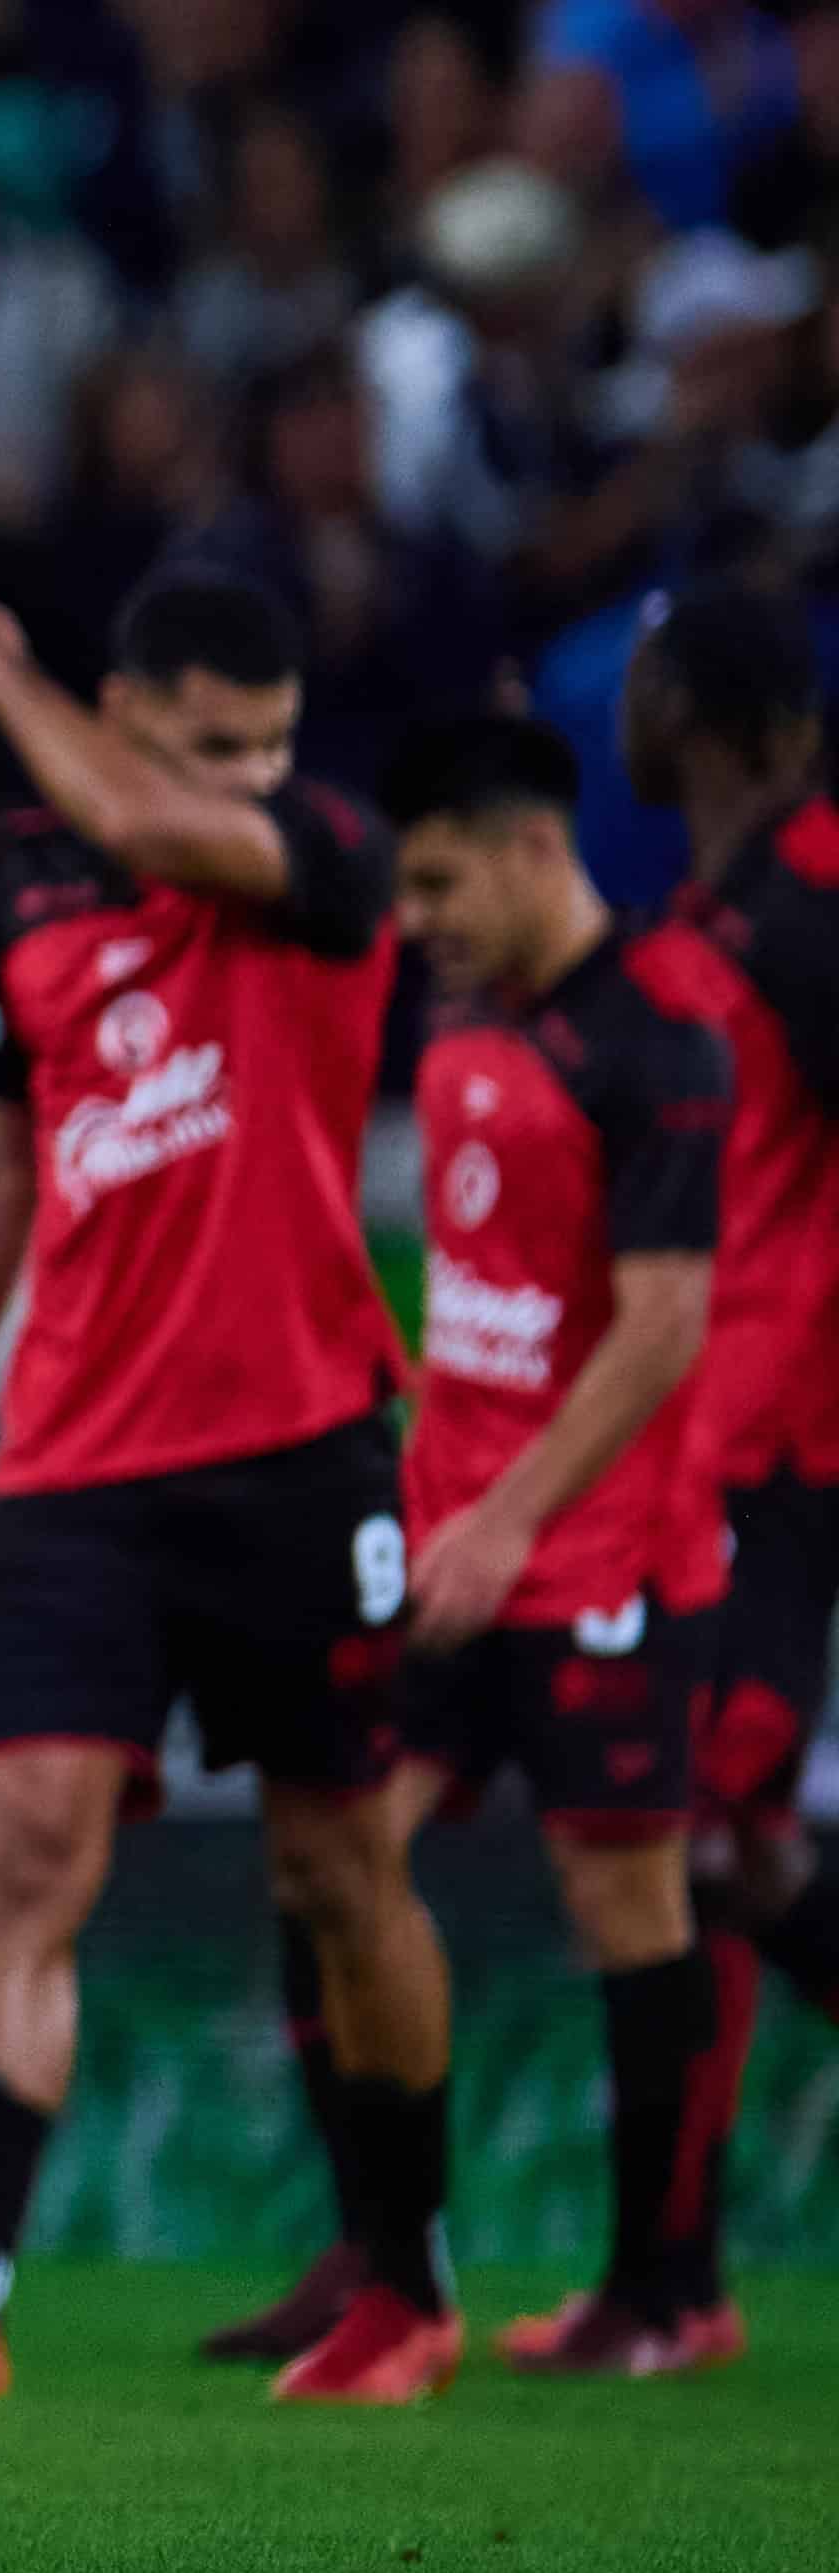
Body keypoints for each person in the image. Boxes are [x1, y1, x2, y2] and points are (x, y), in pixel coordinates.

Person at [0, 570, 447, 2407]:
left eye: (271, 740)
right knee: (26, 1856)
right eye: (214, 739)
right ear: (134, 701)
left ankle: (404, 2281)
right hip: (82, 1459)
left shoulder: (324, 848)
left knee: (341, 1869)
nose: (254, 775)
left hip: (303, 1442)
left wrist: (3, 669)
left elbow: (136, 811)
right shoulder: (36, 886)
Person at [369, 714, 743, 2375]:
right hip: (448, 1543)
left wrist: (509, 1520)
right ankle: (384, 2264)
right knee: (340, 1861)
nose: (421, 918)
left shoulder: (660, 1037)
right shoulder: (466, 1028)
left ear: (533, 847)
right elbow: (480, 1297)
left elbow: (663, 1331)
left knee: (625, 1897)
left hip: (597, 1558)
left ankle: (664, 2291)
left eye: (443, 880)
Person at [613, 580, 839, 2263]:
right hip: (711, 1449)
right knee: (735, 1848)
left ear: (694, 708)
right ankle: (665, 2275)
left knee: (692, 1834)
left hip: (787, 1454)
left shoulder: (809, 903)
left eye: (644, 668)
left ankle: (666, 2277)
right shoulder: (721, 907)